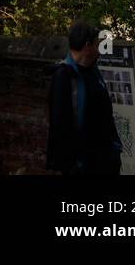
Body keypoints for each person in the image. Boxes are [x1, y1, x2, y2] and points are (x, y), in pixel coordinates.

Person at [47, 20, 123, 176]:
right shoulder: (64, 76)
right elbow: (61, 124)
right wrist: (73, 165)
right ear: (87, 46)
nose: (100, 50)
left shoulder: (93, 71)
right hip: (84, 164)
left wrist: (114, 149)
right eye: (97, 44)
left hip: (106, 159)